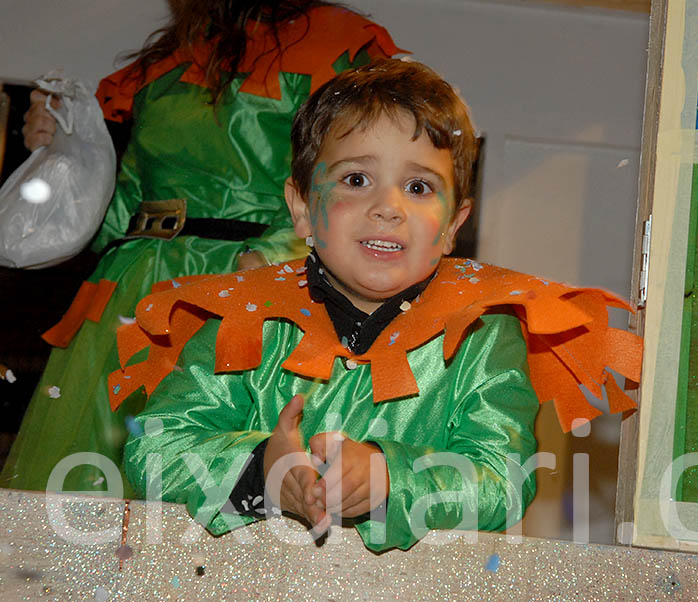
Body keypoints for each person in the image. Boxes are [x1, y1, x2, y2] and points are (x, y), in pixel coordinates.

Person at [115, 59, 644, 551]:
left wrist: (393, 478)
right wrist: (263, 470)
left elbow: (503, 482)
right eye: (356, 179)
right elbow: (151, 453)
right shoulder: (244, 319)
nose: (388, 207)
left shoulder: (481, 336)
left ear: (453, 227)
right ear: (302, 209)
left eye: (417, 186)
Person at [0, 1, 402, 496]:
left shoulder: (340, 47)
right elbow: (123, 201)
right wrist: (62, 152)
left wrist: (269, 262)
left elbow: (352, 180)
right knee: (85, 493)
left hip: (241, 289)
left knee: (207, 480)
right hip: (132, 292)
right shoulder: (167, 60)